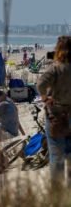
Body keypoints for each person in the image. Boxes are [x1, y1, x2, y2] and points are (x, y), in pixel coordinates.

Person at [37, 36, 71, 187]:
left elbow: (41, 84)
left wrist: (45, 98)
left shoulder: (56, 68)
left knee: (57, 156)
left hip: (56, 116)